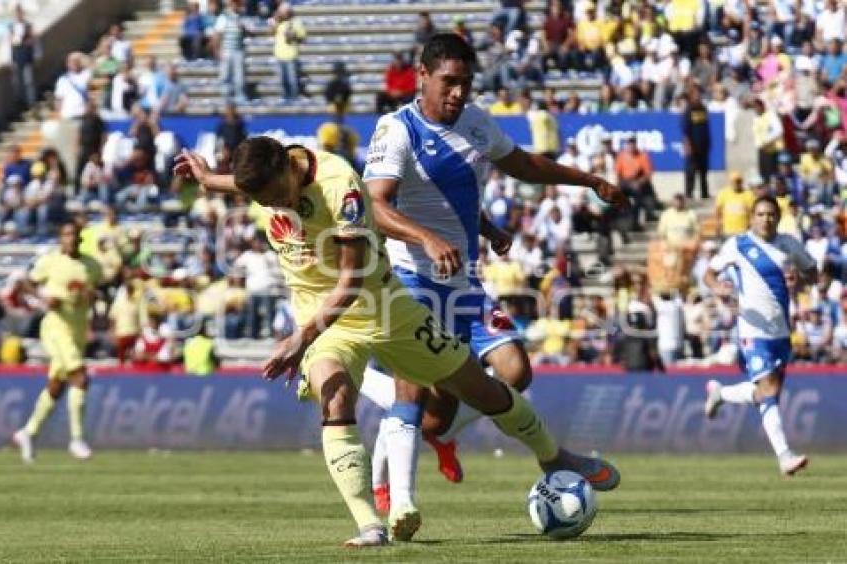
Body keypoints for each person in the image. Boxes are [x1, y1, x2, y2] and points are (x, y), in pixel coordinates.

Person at [173, 134, 620, 547]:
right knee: (335, 394)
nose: (274, 206)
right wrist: (208, 178)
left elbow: (350, 280)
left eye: (275, 196)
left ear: (289, 168)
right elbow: (244, 183)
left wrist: (299, 338)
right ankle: (369, 524)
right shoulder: (268, 176)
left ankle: (553, 455)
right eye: (263, 201)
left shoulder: (340, 187)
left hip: (381, 305)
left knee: (480, 389)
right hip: (320, 315)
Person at [360, 33, 625, 539]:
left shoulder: (476, 121)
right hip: (411, 278)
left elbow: (522, 166)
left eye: (465, 82)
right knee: (412, 391)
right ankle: (401, 506)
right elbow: (375, 204)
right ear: (423, 76)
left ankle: (439, 438)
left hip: (462, 284)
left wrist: (588, 181)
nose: (458, 92)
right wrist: (428, 239)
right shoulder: (396, 130)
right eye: (449, 82)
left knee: (513, 369)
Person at [703, 195, 816, 476]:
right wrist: (717, 287)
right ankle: (785, 456)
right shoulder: (738, 245)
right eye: (761, 214)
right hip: (752, 329)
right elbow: (709, 274)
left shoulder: (789, 245)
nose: (766, 219)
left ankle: (722, 393)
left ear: (778, 217)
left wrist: (799, 280)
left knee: (768, 396)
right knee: (769, 390)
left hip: (781, 331)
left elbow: (813, 273)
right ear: (752, 217)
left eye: (771, 214)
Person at [12, 221, 102, 463]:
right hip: (55, 327)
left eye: (74, 234)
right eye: (66, 234)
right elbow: (24, 284)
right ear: (60, 238)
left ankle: (28, 433)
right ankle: (77, 439)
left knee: (57, 385)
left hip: (78, 329)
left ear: (80, 238)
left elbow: (96, 292)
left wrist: (92, 296)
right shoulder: (50, 261)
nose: (70, 238)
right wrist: (43, 299)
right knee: (80, 377)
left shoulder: (91, 265)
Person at [213, 0, 247, 101]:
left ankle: (239, 96)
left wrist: (243, 29)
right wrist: (217, 50)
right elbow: (217, 34)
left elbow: (244, 33)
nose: (239, 6)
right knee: (225, 75)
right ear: (232, 5)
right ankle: (226, 97)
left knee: (239, 76)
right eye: (237, 4)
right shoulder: (224, 17)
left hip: (238, 50)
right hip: (227, 50)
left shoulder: (240, 17)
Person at [272, 2, 306, 100]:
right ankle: (285, 97)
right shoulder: (278, 22)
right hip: (279, 54)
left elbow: (302, 37)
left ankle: (294, 97)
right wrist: (275, 21)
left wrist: (293, 35)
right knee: (283, 80)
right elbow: (271, 32)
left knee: (292, 80)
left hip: (291, 55)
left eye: (284, 11)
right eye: (281, 12)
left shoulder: (296, 22)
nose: (283, 13)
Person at [681, 86, 711, 199]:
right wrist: (688, 145)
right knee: (691, 171)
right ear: (691, 96)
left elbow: (706, 127)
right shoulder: (688, 110)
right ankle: (689, 194)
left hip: (703, 145)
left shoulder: (703, 109)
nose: (698, 97)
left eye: (699, 94)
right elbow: (685, 130)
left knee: (703, 171)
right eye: (696, 94)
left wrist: (708, 143)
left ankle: (704, 193)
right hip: (692, 146)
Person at [10, 5, 36, 109]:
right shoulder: (12, 26)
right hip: (16, 57)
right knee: (17, 83)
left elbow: (32, 40)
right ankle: (21, 103)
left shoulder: (28, 25)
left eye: (19, 13)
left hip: (26, 56)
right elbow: (10, 42)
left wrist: (21, 41)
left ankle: (31, 103)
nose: (18, 15)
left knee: (28, 81)